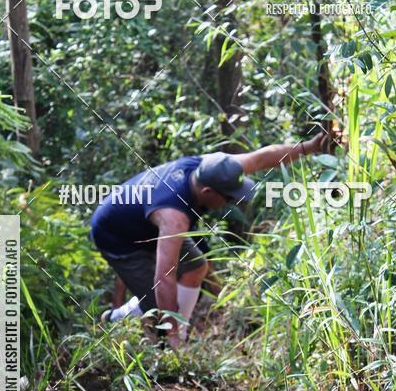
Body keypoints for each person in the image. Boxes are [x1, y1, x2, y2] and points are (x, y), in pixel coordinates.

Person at [90, 136, 327, 348]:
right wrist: (172, 335)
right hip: (117, 236)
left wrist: (309, 147)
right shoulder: (174, 218)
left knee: (196, 267)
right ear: (206, 192)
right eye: (228, 198)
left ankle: (176, 335)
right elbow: (164, 278)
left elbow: (262, 157)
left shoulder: (213, 167)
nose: (232, 203)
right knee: (158, 304)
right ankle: (126, 324)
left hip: (146, 219)